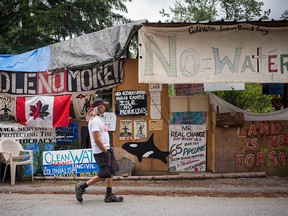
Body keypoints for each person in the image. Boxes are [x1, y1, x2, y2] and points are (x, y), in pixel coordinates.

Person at [75, 97, 123, 203]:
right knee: (104, 173)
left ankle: (109, 195)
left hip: (106, 149)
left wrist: (107, 149)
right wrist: (105, 150)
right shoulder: (95, 120)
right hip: (101, 151)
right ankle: (81, 187)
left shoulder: (99, 119)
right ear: (99, 107)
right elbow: (96, 139)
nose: (105, 107)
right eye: (103, 105)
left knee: (110, 171)